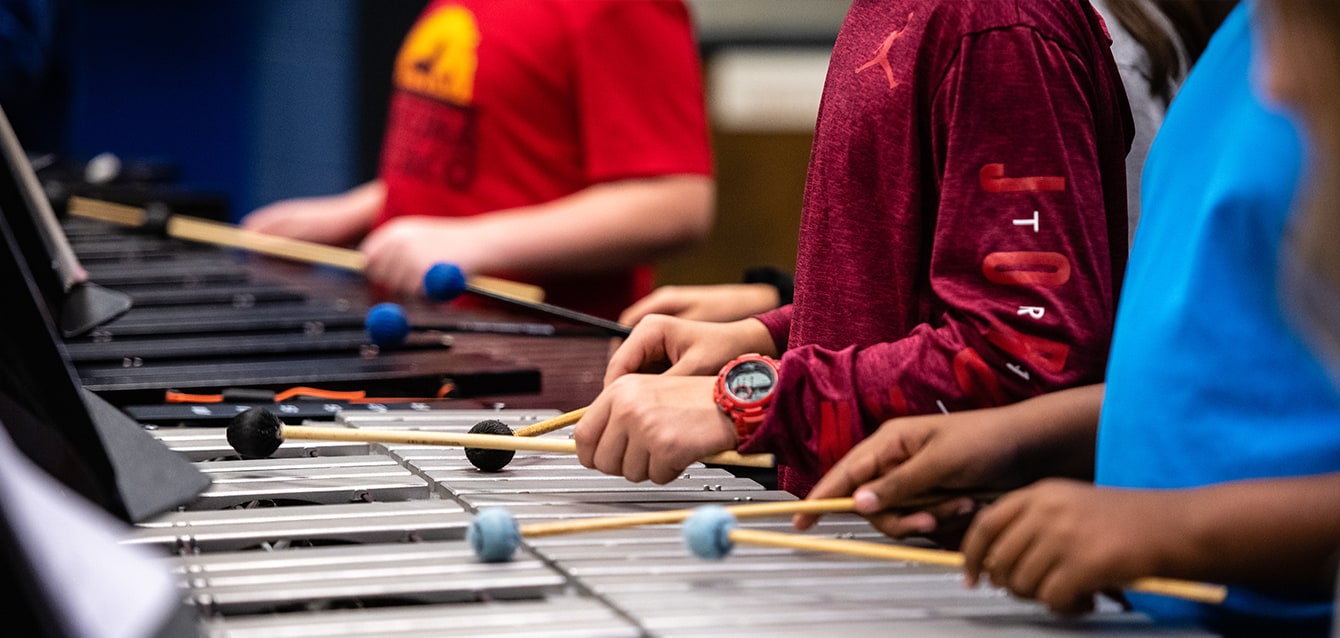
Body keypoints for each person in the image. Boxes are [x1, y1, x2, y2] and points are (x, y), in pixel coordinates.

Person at [795, 3, 1340, 633]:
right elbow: (1225, 388)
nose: (1280, 86)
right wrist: (1016, 439)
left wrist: (1169, 529)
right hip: (1149, 611)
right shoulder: (1247, 37)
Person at [575, 0, 1133, 494]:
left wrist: (754, 401)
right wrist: (766, 334)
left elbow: (1026, 357)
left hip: (955, 558)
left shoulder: (997, 26)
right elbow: (913, 289)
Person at [617, 0, 1230, 328]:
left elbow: (1035, 340)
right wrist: (779, 321)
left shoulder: (1007, 29)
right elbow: (952, 271)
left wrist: (767, 399)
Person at [241, 0, 714, 321]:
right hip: (424, 339)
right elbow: (482, 154)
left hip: (536, 368)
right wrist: (353, 210)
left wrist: (472, 243)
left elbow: (676, 202)